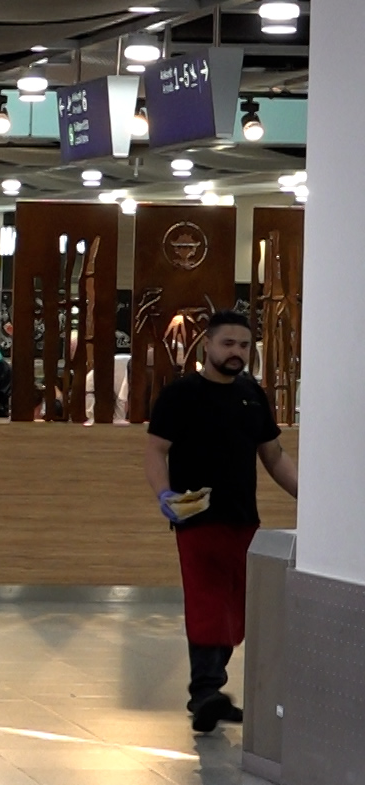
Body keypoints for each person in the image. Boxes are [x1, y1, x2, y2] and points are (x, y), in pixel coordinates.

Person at [145, 310, 298, 734]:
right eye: (228, 344)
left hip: (243, 518)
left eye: (244, 346)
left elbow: (274, 456)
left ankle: (210, 690)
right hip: (196, 518)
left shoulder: (252, 395)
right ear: (207, 345)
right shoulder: (181, 396)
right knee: (208, 599)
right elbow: (156, 450)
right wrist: (164, 496)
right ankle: (206, 693)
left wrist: (312, 497)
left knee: (235, 607)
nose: (236, 352)